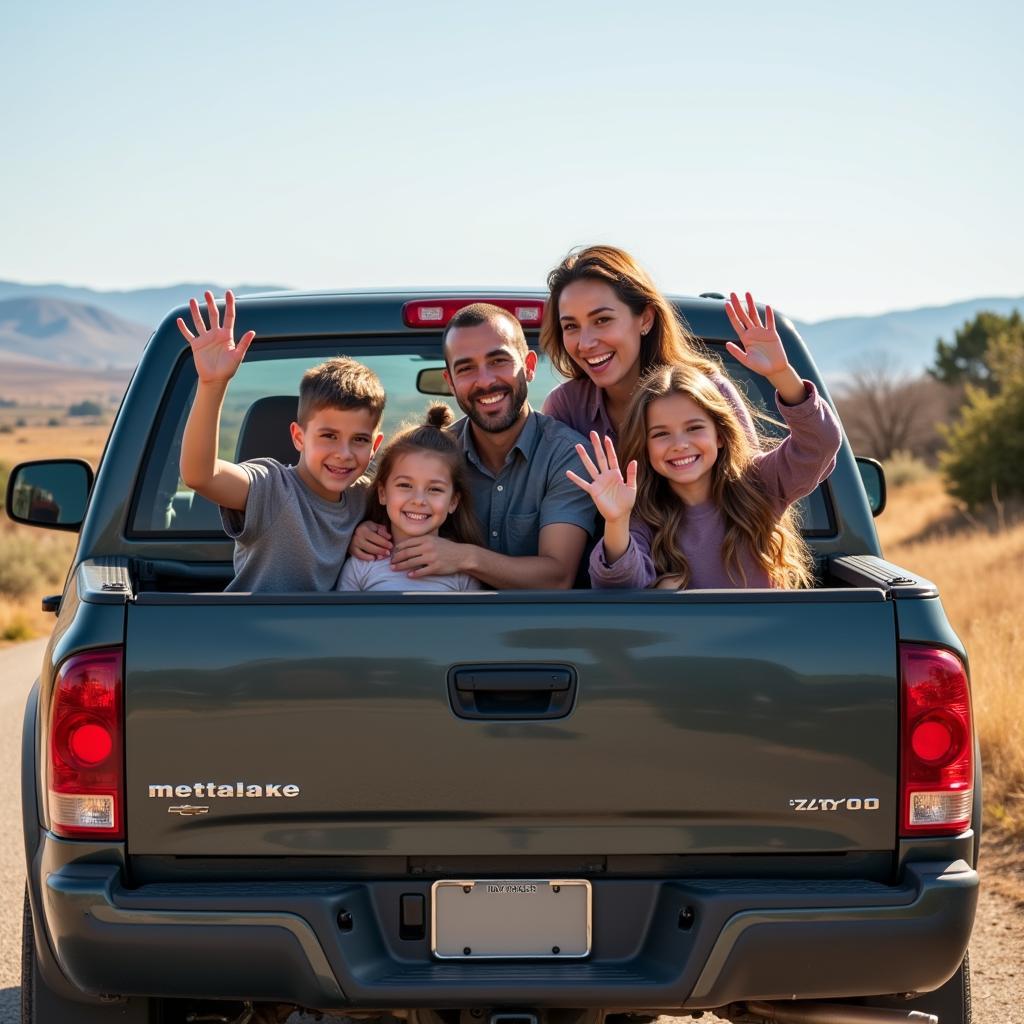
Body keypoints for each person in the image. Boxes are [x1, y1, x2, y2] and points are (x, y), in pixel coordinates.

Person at [570, 293, 841, 590]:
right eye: (661, 434)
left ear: (721, 434)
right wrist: (616, 521)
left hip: (763, 636)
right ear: (645, 447)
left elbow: (821, 444)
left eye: (694, 428)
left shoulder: (759, 484)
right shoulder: (644, 513)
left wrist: (781, 375)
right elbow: (619, 584)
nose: (680, 444)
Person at [350, 303, 596, 588]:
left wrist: (464, 558)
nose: (485, 381)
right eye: (466, 368)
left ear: (528, 367)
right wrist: (357, 533)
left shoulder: (568, 455)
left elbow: (558, 577)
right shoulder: (435, 457)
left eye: (498, 361)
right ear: (450, 383)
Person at [176, 290, 384, 592]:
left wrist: (363, 532)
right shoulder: (273, 488)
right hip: (253, 634)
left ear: (375, 446)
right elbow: (200, 475)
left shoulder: (365, 497)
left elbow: (427, 487)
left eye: (360, 440)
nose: (344, 453)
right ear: (299, 437)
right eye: (328, 436)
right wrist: (212, 384)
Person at [540, 245, 757, 446]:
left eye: (602, 320)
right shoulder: (565, 407)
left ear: (645, 319)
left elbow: (756, 483)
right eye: (570, 326)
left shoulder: (709, 392)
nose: (585, 343)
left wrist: (784, 380)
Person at [338, 405, 482, 592]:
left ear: (453, 501)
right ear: (383, 493)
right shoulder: (360, 566)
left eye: (435, 489)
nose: (418, 500)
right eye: (405, 485)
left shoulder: (462, 574)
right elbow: (342, 621)